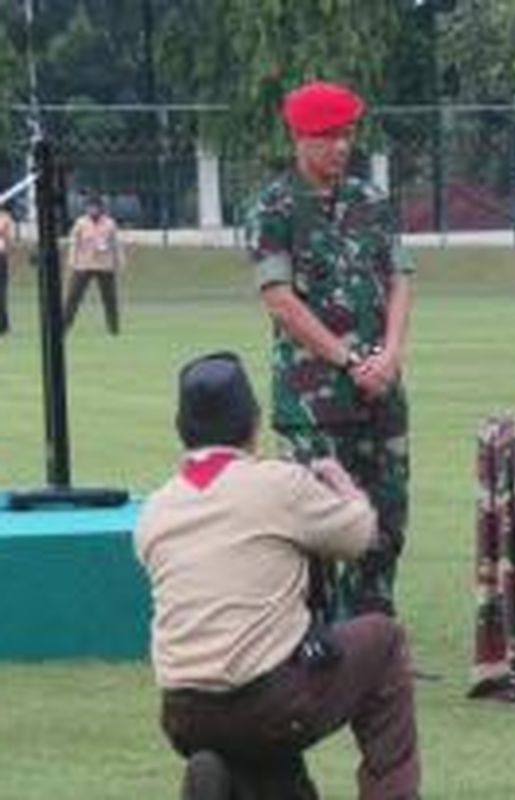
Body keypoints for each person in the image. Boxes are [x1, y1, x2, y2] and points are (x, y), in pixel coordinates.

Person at [134, 351, 420, 799]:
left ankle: (220, 781)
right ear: (253, 422)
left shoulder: (155, 509)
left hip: (183, 712)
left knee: (265, 694)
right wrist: (343, 486)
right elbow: (360, 536)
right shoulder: (278, 484)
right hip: (264, 701)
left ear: (182, 429)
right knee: (382, 640)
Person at [246, 80, 415, 621]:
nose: (341, 147)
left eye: (346, 135)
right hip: (313, 400)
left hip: (381, 389)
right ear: (299, 138)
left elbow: (399, 280)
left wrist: (389, 355)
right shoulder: (273, 208)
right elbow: (281, 303)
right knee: (312, 521)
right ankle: (314, 636)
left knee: (387, 515)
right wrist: (348, 361)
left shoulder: (373, 202)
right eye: (327, 137)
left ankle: (373, 636)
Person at [63, 193, 124, 334]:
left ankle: (113, 328)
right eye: (90, 207)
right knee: (73, 297)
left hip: (104, 266)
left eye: (95, 207)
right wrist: (72, 260)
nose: (92, 210)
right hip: (83, 265)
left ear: (101, 208)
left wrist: (119, 261)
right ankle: (65, 325)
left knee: (110, 298)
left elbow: (116, 244)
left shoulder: (110, 223)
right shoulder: (80, 223)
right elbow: (74, 243)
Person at [0, 201, 14, 335]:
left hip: (1, 257)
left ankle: (3, 325)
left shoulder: (5, 218)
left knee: (1, 292)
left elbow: (9, 239)